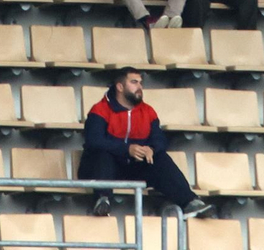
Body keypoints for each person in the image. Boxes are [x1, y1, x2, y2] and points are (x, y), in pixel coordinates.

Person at [80, 67, 213, 219]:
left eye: (141, 83)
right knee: (102, 154)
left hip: (133, 168)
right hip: (101, 170)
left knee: (160, 158)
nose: (140, 87)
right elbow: (94, 141)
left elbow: (160, 139)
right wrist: (127, 149)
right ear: (120, 86)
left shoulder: (148, 111)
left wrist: (152, 149)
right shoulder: (100, 110)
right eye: (134, 82)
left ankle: (191, 202)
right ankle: (102, 200)